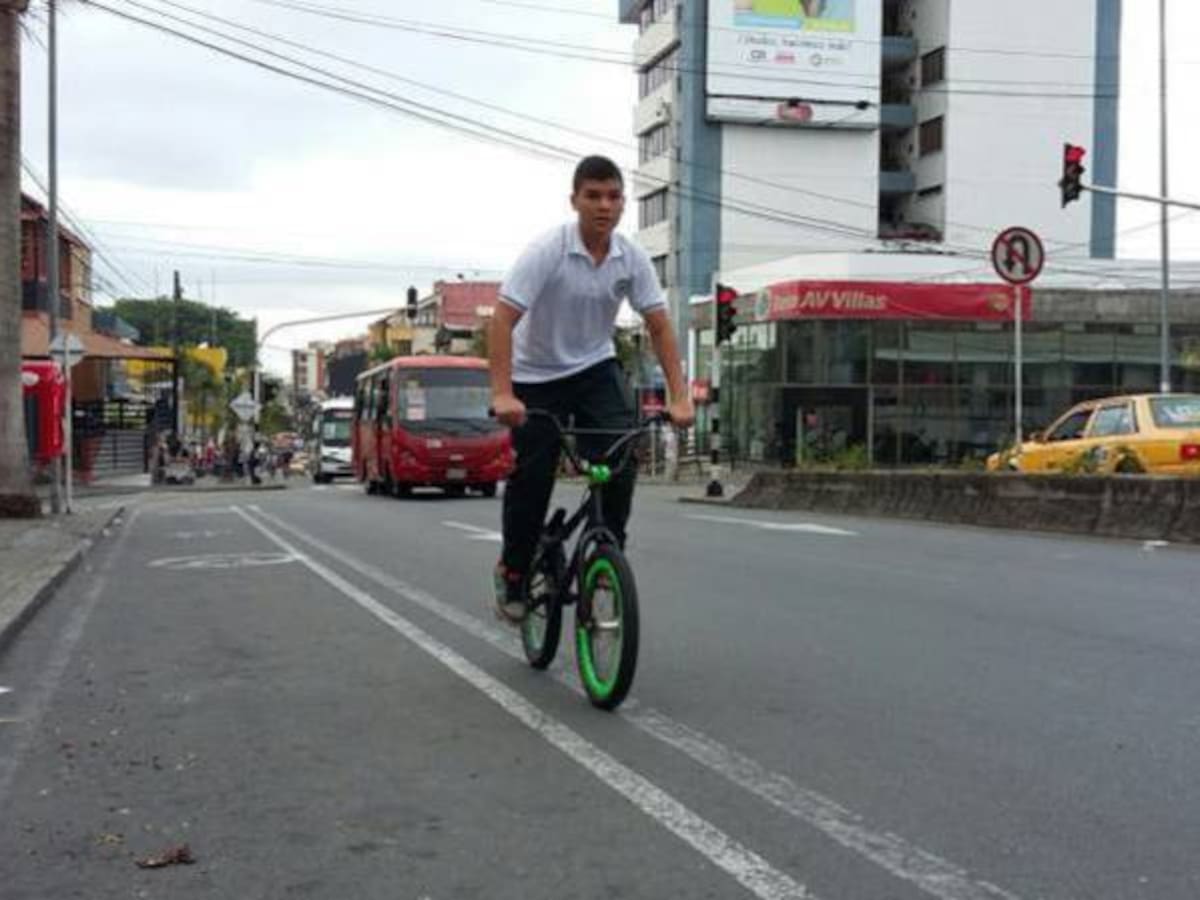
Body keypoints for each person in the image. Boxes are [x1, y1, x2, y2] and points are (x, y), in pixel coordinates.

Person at [489, 155, 695, 623]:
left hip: (594, 368)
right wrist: (503, 394)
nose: (604, 205)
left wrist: (680, 396)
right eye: (593, 196)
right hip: (535, 375)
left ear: (623, 203)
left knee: (620, 457)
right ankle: (514, 572)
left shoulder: (630, 256)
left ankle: (606, 552)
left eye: (614, 196)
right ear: (575, 200)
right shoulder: (548, 251)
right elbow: (502, 320)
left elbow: (660, 327)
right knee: (534, 475)